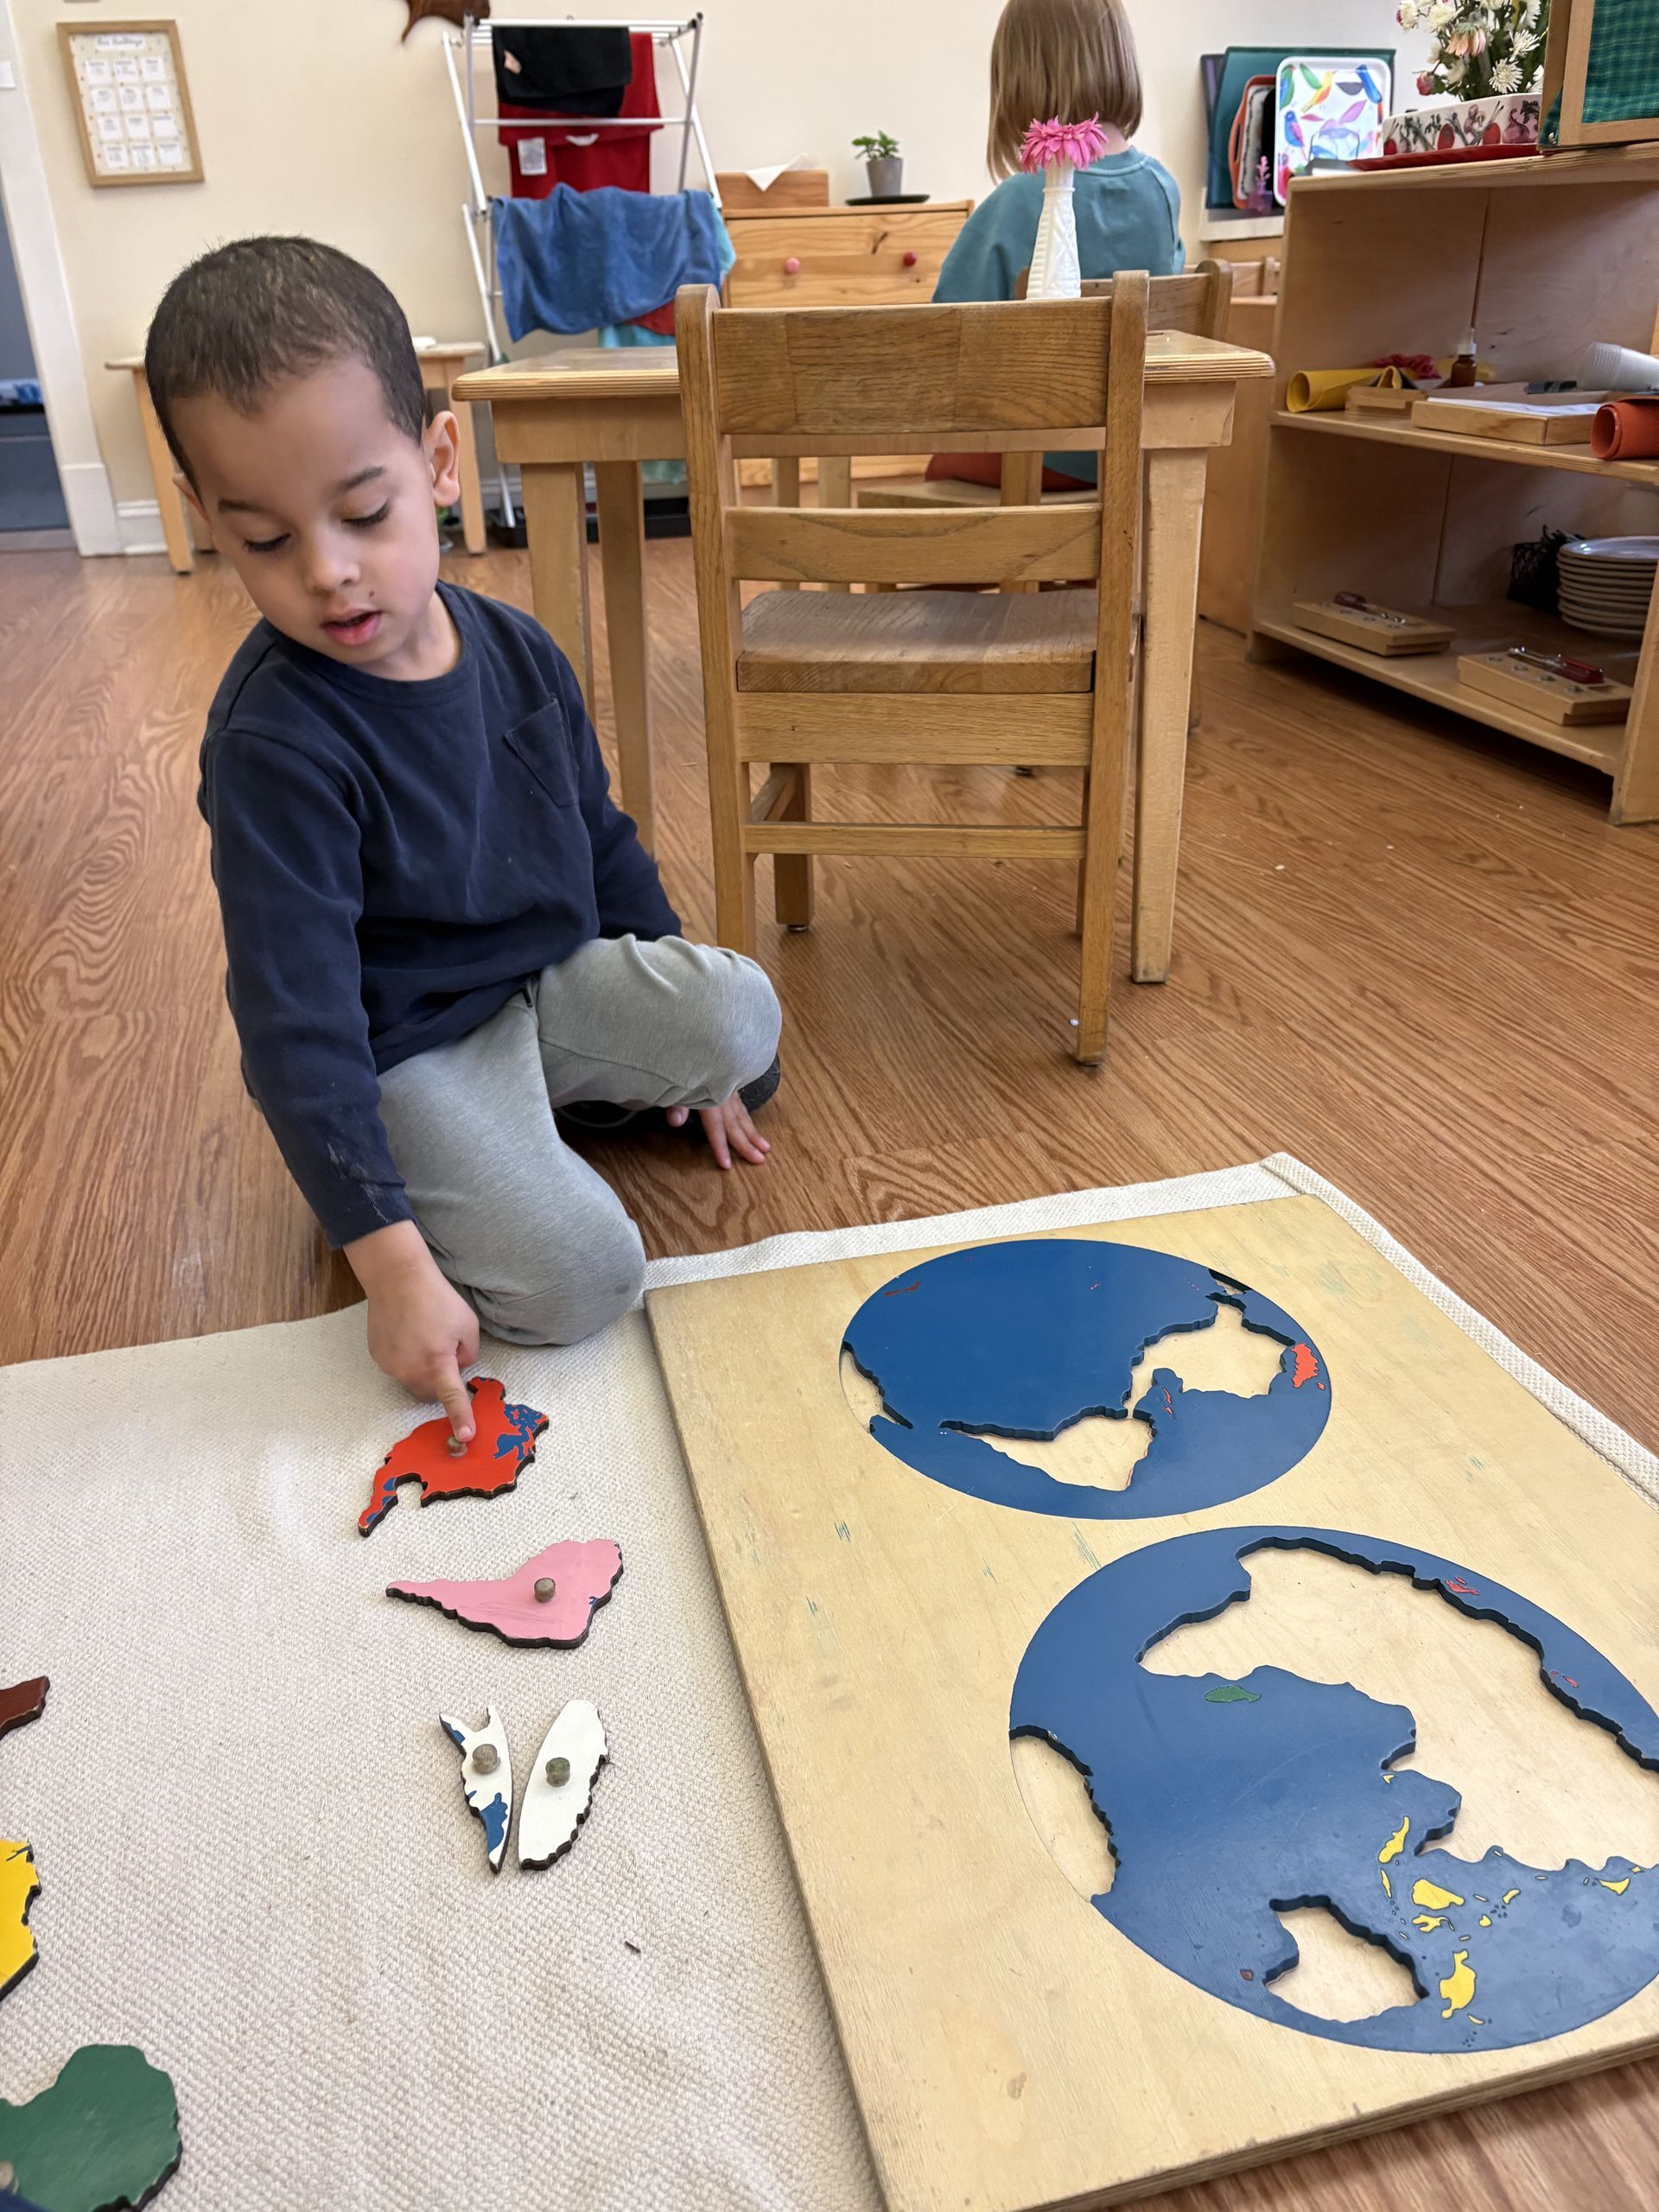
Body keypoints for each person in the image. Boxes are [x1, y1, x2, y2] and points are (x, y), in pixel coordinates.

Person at [146, 236, 780, 1446]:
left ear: (439, 463)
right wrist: (386, 1261)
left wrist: (694, 1057)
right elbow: (298, 1029)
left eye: (363, 513)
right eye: (266, 542)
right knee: (586, 1279)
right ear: (206, 521)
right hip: (409, 1053)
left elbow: (600, 841)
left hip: (541, 987)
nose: (330, 573)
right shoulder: (273, 745)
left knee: (743, 1025)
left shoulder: (517, 649)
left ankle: (555, 1114)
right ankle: (456, 1160)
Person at [932, 0, 1182, 486]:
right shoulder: (1164, 190)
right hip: (1136, 459)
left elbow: (940, 341)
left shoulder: (1020, 200)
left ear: (1018, 77)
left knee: (941, 462)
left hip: (1042, 458)